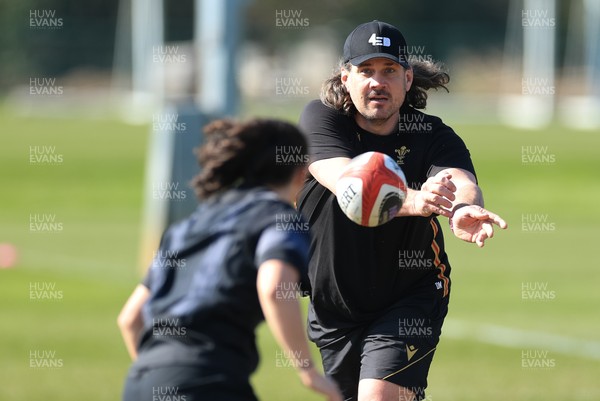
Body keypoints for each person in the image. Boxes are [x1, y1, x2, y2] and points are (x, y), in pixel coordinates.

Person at [296, 20, 508, 401]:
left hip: (413, 292)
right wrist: (416, 201)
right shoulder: (322, 121)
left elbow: (459, 180)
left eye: (390, 70)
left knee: (376, 396)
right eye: (366, 71)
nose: (378, 81)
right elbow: (350, 182)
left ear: (408, 79)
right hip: (335, 305)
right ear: (346, 78)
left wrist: (461, 208)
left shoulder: (432, 134)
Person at [119, 119, 342, 401]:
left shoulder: (191, 223)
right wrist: (307, 370)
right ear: (301, 172)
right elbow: (274, 287)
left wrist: (161, 373)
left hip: (141, 381)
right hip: (208, 382)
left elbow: (130, 318)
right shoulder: (279, 218)